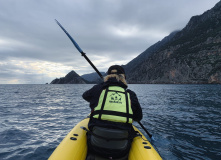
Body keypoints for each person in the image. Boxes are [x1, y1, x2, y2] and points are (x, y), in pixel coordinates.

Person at [82, 65, 143, 160]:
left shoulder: (98, 89)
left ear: (107, 77)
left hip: (95, 146)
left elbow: (85, 96)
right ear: (124, 78)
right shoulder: (130, 94)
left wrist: (102, 86)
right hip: (121, 149)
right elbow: (138, 117)